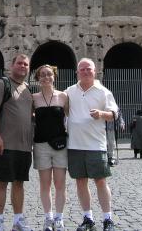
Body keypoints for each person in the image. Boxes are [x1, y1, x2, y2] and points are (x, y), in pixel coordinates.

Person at [66, 58, 118, 231]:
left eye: (89, 69)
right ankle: (88, 217)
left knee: (101, 181)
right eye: (82, 69)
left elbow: (114, 114)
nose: (85, 71)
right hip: (75, 145)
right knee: (80, 182)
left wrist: (102, 113)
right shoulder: (70, 91)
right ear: (77, 72)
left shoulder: (103, 91)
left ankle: (107, 218)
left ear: (95, 71)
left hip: (96, 144)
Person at [0, 54, 33, 231]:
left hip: (24, 146)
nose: (22, 66)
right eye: (19, 63)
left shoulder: (28, 89)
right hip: (4, 144)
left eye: (26, 64)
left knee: (19, 183)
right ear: (11, 66)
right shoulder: (1, 84)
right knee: (1, 182)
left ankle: (18, 220)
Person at [32, 64, 68, 231]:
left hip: (60, 145)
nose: (46, 77)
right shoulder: (33, 98)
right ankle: (48, 217)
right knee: (44, 185)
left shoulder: (63, 97)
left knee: (60, 184)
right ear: (38, 78)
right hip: (40, 145)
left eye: (49, 74)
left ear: (54, 76)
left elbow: (71, 118)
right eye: (42, 75)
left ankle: (59, 218)